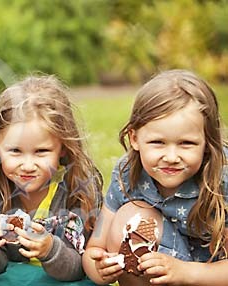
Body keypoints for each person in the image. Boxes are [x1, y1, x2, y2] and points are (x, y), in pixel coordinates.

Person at [82, 69, 228, 285]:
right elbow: (94, 248)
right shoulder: (127, 173)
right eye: (158, 142)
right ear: (134, 138)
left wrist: (185, 272)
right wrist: (100, 269)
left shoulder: (220, 178)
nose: (171, 157)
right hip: (154, 275)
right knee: (131, 217)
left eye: (186, 143)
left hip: (208, 278)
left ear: (207, 142)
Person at [0, 75, 103, 285]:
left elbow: (80, 268)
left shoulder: (79, 188)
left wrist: (50, 250)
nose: (28, 165)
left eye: (41, 151)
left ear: (63, 146)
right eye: (15, 151)